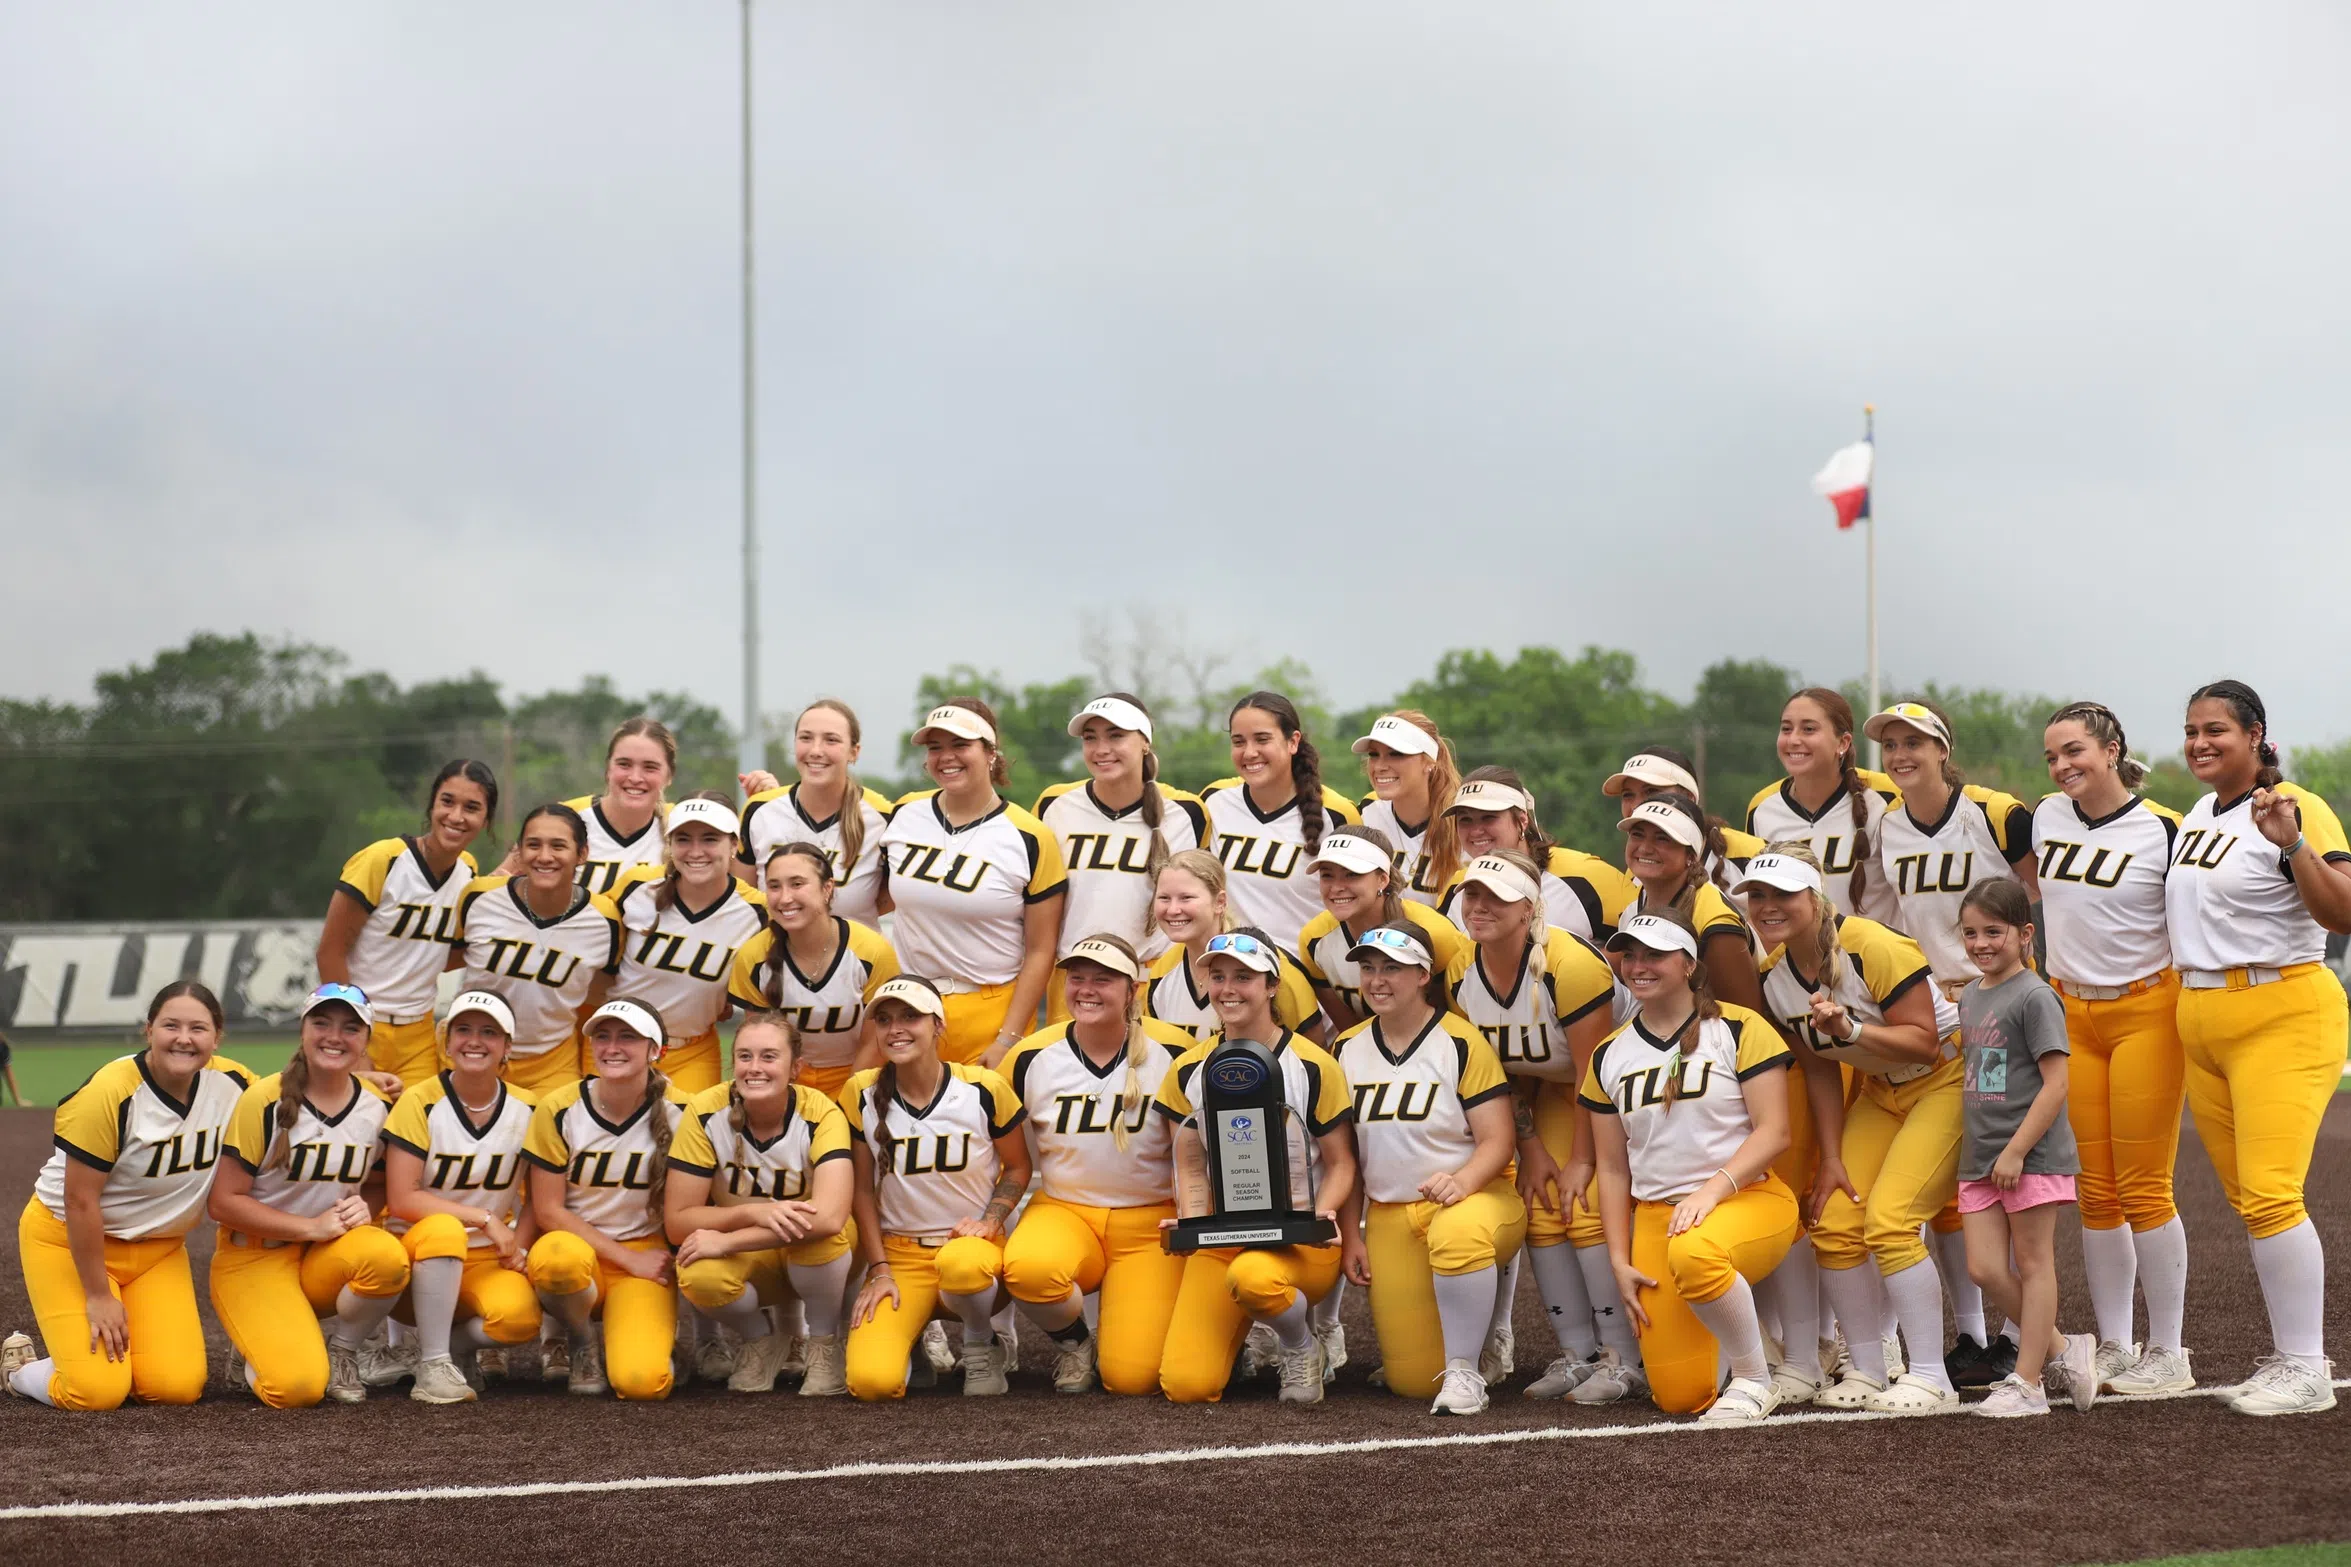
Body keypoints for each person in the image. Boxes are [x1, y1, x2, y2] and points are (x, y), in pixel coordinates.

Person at [2166, 680, 2351, 1416]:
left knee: (2271, 1191)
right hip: (2202, 1013)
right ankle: (2287, 1353)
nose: (2199, 742)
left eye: (2215, 728)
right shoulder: (2194, 815)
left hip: (2281, 1006)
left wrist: (2294, 843)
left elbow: (2342, 910)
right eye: (2189, 730)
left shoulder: (2293, 803)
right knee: (2250, 1199)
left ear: (2254, 735)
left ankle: (2306, 1366)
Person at [1740, 848, 1965, 1415]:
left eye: (1782, 894)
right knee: (1835, 1216)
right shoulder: (1773, 976)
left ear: (1815, 896)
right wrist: (1832, 1157)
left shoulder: (1871, 944)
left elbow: (1925, 1041)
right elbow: (1818, 1064)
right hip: (1880, 1091)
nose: (1767, 907)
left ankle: (1932, 1376)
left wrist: (1853, 1028)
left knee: (1890, 1220)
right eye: (1757, 896)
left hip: (1948, 1077)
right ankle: (1866, 1368)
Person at [1863, 698, 2039, 1386]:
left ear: (1943, 747)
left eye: (1914, 741)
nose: (1901, 754)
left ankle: (2020, 1330)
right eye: (1891, 744)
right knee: (1954, 1180)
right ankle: (1970, 1331)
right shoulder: (1887, 825)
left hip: (1995, 1005)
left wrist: (2009, 990)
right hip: (1934, 1009)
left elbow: (2036, 903)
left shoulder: (1994, 812)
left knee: (2007, 1171)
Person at [2033, 700, 2194, 1396]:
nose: (2062, 765)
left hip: (2145, 1008)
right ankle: (2119, 1346)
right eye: (2051, 755)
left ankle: (2169, 1350)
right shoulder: (2043, 816)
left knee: (2142, 1184)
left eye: (2073, 750)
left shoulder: (2163, 829)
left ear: (2110, 748)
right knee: (2093, 1191)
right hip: (2070, 1013)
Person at [1582, 912, 1799, 1425]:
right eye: (1629, 954)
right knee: (1680, 1396)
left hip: (1747, 1198)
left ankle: (1753, 1377)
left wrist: (1710, 1192)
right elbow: (1612, 1170)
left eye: (1654, 954)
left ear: (1689, 964)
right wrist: (1618, 1257)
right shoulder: (1607, 1054)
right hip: (1659, 1217)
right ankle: (1736, 1337)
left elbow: (1775, 1133)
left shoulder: (1739, 1027)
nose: (1639, 966)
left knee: (1697, 1251)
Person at [1442, 850, 1637, 1402]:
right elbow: (1494, 1073)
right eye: (1472, 895)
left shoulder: (1567, 966)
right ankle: (1578, 1355)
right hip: (1548, 1089)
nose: (1480, 907)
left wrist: (1580, 1160)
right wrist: (1530, 1149)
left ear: (1529, 909)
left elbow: (1592, 1073)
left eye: (1497, 897)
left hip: (1618, 1084)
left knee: (1587, 1201)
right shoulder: (1461, 970)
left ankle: (1624, 1357)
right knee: (1544, 1206)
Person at [2, 983, 251, 1409]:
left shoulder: (233, 1082)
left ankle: (100, 1358)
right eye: (170, 1025)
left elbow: (289, 1105)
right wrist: (98, 1296)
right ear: (148, 1029)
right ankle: (20, 1370)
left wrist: (360, 1082)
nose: (184, 1038)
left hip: (156, 1251)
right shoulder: (110, 1091)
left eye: (198, 1028)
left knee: (176, 1388)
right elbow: (80, 1202)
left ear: (217, 1036)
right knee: (94, 1392)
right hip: (67, 1241)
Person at [1156, 930, 1359, 1405]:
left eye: (1243, 977)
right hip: (1223, 1240)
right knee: (1186, 1386)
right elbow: (1189, 1165)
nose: (1228, 989)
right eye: (1218, 976)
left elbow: (1342, 1163)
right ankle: (1248, 1334)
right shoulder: (1186, 1069)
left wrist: (1322, 1216)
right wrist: (1190, 1220)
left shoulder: (1313, 1064)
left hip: (1298, 1243)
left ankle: (1301, 1346)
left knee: (1255, 1278)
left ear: (1271, 985)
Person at [1334, 923, 1524, 1414]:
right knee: (1413, 1383)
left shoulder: (1459, 1041)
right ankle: (1462, 1346)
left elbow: (1499, 1140)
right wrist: (1351, 1236)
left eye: (1392, 968)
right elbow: (1347, 1156)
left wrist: (1461, 1182)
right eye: (1369, 968)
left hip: (1473, 1199)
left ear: (1423, 974)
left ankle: (1466, 1369)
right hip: (1391, 1214)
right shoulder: (1345, 1048)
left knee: (1460, 1233)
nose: (1378, 980)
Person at [1002, 937, 1194, 1395]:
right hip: (1066, 1211)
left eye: (1103, 979)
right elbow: (1004, 1150)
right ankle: (1074, 1343)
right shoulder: (1030, 1055)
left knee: (1132, 1379)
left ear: (1133, 989)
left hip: (1151, 1221)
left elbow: (1198, 1151)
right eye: (1077, 978)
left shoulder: (1176, 1051)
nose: (1086, 989)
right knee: (1028, 1270)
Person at [206, 984, 408, 1407]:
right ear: (303, 1028)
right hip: (254, 1258)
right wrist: (310, 1227)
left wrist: (363, 1207)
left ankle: (344, 1352)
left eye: (351, 1028)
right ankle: (254, 1348)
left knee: (387, 1256)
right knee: (296, 1388)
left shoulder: (375, 1104)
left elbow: (375, 1182)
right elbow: (223, 1202)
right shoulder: (265, 1100)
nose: (335, 1036)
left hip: (322, 1258)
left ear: (366, 1041)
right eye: (322, 1023)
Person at [841, 976, 1033, 1400]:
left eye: (911, 1016)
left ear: (938, 1025)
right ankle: (911, 1342)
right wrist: (878, 1269)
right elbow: (860, 1190)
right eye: (885, 1019)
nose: (897, 1029)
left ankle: (982, 1342)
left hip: (969, 1252)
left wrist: (989, 1221)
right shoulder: (860, 1092)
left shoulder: (983, 1087)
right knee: (872, 1383)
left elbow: (1019, 1166)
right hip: (902, 1255)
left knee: (963, 1266)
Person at [1953, 881, 2100, 1417]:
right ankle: (2063, 1347)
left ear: (2024, 934)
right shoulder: (1971, 994)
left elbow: (2056, 1084)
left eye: (1993, 932)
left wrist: (2016, 1151)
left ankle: (2029, 1382)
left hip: (2030, 1155)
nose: (1981, 943)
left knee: (2035, 1264)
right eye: (1970, 932)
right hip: (1981, 1157)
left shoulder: (2037, 996)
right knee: (1985, 1269)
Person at [667, 1012, 857, 1397]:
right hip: (759, 1256)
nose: (755, 1068)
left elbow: (831, 1217)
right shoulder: (706, 1111)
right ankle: (760, 1340)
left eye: (769, 1057)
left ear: (795, 1068)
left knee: (819, 1236)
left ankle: (822, 1342)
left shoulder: (821, 1112)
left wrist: (728, 1240)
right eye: (745, 1056)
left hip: (811, 1249)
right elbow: (677, 1221)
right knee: (699, 1271)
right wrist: (753, 1211)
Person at [876, 701, 1067, 1068]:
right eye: (935, 748)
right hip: (910, 1007)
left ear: (991, 753)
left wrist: (1008, 1038)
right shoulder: (904, 812)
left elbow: (1041, 950)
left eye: (960, 745)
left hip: (992, 1011)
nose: (946, 757)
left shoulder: (1029, 835)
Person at [521, 998, 690, 1400]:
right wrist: (626, 1257)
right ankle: (579, 1340)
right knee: (557, 1258)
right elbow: (547, 1209)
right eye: (603, 1036)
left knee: (642, 1383)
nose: (612, 1047)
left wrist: (639, 1259)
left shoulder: (685, 1111)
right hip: (579, 1251)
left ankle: (663, 1339)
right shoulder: (559, 1108)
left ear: (655, 1050)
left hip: (644, 1256)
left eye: (627, 1037)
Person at [379, 990, 541, 1404]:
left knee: (519, 1321)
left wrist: (517, 1246)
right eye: (463, 1029)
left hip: (485, 1260)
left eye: (489, 1032)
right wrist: (484, 1218)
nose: (474, 1040)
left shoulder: (529, 1108)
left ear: (508, 1046)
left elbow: (539, 1198)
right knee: (445, 1229)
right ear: (446, 1042)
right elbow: (401, 1197)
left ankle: (452, 1347)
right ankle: (431, 1364)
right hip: (416, 1260)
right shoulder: (420, 1100)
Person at [316, 759, 498, 1087]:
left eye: (472, 807)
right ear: (431, 806)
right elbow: (330, 953)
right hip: (361, 1025)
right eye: (447, 801)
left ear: (486, 821)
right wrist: (350, 1042)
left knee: (420, 1133)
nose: (456, 816)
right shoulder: (383, 860)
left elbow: (447, 955)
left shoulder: (468, 872)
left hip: (418, 1036)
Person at [1034, 694, 1209, 1019]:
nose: (1101, 749)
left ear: (1144, 742)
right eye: (1090, 738)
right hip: (1075, 981)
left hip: (1154, 982)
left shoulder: (1186, 812)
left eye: (1116, 736)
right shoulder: (1054, 805)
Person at [451, 803, 625, 1096]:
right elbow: (442, 960)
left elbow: (603, 990)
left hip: (551, 1063)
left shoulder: (605, 919)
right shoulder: (479, 897)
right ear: (519, 852)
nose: (544, 857)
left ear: (582, 854)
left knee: (552, 1139)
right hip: (471, 1051)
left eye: (558, 846)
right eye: (533, 845)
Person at [609, 794, 766, 1094]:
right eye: (683, 839)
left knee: (688, 1138)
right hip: (615, 1045)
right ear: (669, 845)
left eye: (709, 839)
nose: (696, 851)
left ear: (734, 845)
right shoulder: (636, 887)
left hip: (691, 1054)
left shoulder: (758, 913)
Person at [728, 843, 901, 1098]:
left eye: (797, 884)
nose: (785, 897)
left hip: (858, 1077)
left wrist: (847, 1103)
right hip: (784, 1079)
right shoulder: (754, 956)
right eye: (774, 886)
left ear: (827, 888)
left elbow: (875, 1043)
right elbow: (759, 1043)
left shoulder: (872, 951)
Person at [1200, 691, 1363, 952]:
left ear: (1292, 741)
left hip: (1307, 975)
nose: (1249, 752)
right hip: (1231, 971)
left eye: (1262, 739)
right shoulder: (1213, 801)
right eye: (1238, 741)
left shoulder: (1337, 814)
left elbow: (1360, 903)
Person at [1746, 689, 1903, 925]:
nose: (1794, 739)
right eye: (1786, 728)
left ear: (1843, 742)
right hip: (1795, 961)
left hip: (1872, 959)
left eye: (1809, 729)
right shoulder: (1762, 808)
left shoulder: (1886, 799)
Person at [1296, 825, 1470, 1030]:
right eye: (1327, 875)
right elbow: (1349, 1031)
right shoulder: (1314, 939)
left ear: (1382, 879)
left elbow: (1457, 1022)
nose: (1336, 887)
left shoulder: (1437, 934)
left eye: (1352, 874)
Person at [738, 698, 895, 925]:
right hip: (776, 957)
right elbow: (743, 898)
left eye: (831, 740)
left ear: (854, 751)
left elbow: (892, 897)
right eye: (806, 738)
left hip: (855, 957)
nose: (816, 750)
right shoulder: (760, 810)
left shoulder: (883, 818)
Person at [1139, 848, 1323, 1042]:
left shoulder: (1270, 965)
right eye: (1164, 898)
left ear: (1220, 902)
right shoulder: (1162, 973)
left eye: (1186, 898)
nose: (1173, 909)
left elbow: (1312, 1056)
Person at [1438, 767, 1635, 944]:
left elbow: (1636, 947)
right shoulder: (1456, 888)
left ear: (1522, 820)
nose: (1476, 831)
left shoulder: (1586, 875)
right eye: (1465, 820)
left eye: (1489, 817)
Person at [1618, 794, 1762, 1012]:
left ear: (1692, 856)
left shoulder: (1715, 923)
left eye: (1662, 838)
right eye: (1637, 835)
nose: (1645, 848)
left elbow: (1746, 1020)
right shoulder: (1634, 909)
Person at [1603, 747, 1766, 884]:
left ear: (1689, 798)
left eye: (1651, 791)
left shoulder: (1752, 855)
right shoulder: (1639, 869)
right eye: (1627, 795)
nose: (1637, 806)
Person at [1353, 711, 1465, 907]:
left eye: (1396, 754)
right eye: (1374, 754)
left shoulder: (1465, 822)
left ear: (1430, 761)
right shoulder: (1366, 815)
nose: (1379, 766)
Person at [562, 716, 676, 895]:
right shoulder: (564, 819)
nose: (635, 778)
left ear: (669, 775)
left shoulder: (683, 826)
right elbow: (505, 885)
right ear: (608, 768)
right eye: (624, 764)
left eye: (650, 767)